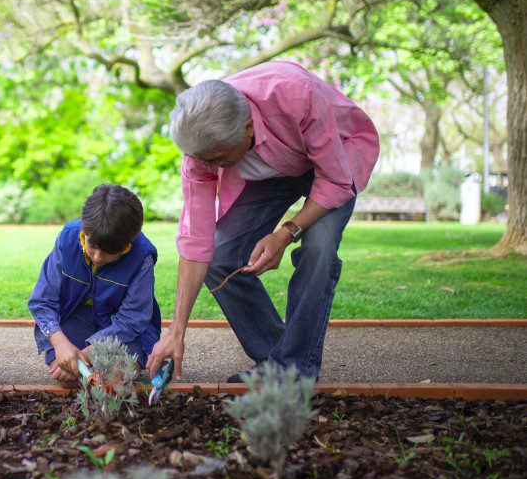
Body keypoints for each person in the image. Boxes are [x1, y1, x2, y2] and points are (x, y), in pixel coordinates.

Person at [147, 61, 379, 383]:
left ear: (247, 129)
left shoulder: (295, 94)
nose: (208, 167)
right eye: (203, 159)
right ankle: (279, 363)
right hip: (273, 172)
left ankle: (294, 371)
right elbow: (196, 242)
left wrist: (285, 233)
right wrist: (176, 330)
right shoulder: (201, 151)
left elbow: (336, 182)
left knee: (319, 248)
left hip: (335, 158)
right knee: (220, 254)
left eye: (217, 159)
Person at [28, 184, 162, 387]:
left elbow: (133, 319)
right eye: (93, 246)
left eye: (110, 252)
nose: (98, 257)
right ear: (84, 230)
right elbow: (42, 301)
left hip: (123, 330)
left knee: (113, 378)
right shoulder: (67, 239)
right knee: (69, 378)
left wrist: (86, 354)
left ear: (129, 243)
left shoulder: (142, 256)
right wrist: (61, 345)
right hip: (76, 317)